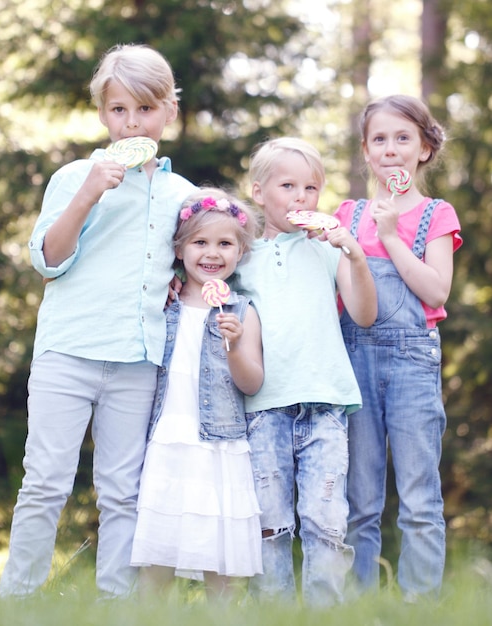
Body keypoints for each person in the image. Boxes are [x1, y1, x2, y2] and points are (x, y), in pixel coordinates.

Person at [0, 44, 197, 599]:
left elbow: (191, 263)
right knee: (44, 483)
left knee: (124, 491)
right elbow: (49, 260)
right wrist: (88, 193)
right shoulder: (74, 176)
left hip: (136, 360)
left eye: (145, 109)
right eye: (118, 110)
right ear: (102, 114)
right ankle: (16, 598)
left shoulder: (183, 195)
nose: (132, 122)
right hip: (68, 351)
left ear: (169, 111)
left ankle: (118, 603)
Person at [233, 137, 378, 607]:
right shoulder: (242, 256)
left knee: (326, 521)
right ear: (259, 191)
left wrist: (354, 253)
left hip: (326, 404)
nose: (301, 197)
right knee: (269, 524)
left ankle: (326, 613)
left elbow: (363, 314)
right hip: (263, 408)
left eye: (311, 188)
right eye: (288, 186)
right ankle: (272, 612)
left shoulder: (328, 250)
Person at [334, 95, 462, 601]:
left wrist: (389, 237)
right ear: (366, 152)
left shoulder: (436, 213)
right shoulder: (350, 213)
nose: (391, 150)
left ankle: (419, 604)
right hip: (354, 357)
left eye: (403, 138)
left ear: (425, 149)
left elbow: (435, 290)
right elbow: (336, 293)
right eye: (380, 140)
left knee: (419, 499)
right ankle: (359, 602)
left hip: (412, 362)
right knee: (360, 499)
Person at [130, 188, 264, 602]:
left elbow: (251, 382)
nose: (212, 253)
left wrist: (236, 346)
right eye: (200, 242)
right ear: (180, 249)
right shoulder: (162, 305)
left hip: (218, 443)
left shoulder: (242, 311)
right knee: (160, 544)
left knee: (218, 552)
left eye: (225, 244)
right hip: (168, 439)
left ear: (240, 252)